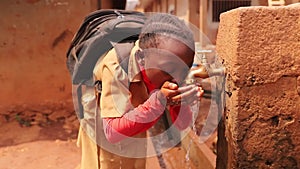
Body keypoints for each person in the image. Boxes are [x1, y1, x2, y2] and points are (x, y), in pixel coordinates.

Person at [76, 13, 204, 169]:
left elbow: (182, 125)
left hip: (136, 108)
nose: (177, 78)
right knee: (105, 161)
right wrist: (158, 101)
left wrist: (180, 102)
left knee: (134, 156)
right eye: (168, 69)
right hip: (102, 115)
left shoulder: (171, 67)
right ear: (142, 59)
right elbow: (112, 133)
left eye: (185, 70)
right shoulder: (116, 66)